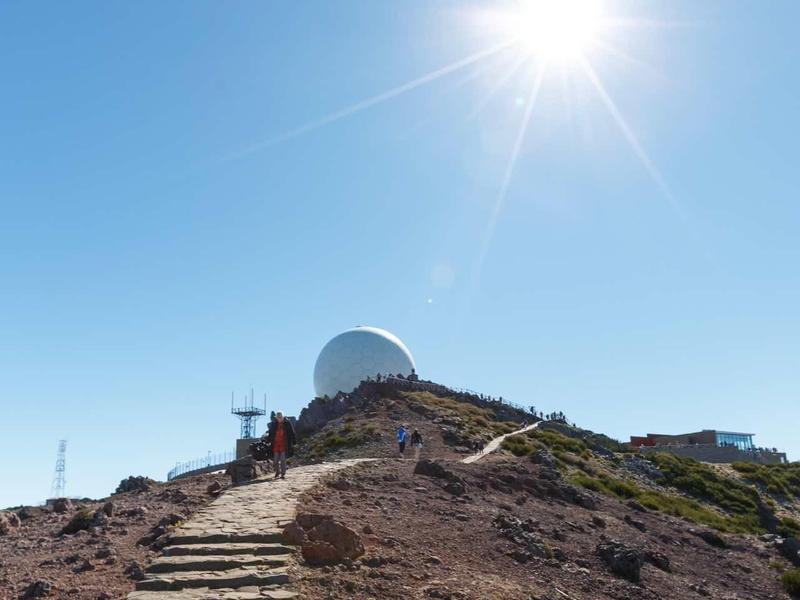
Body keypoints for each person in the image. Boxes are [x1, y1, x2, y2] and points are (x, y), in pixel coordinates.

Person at [267, 411, 296, 479]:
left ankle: (283, 473)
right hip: (275, 444)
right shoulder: (274, 424)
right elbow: (271, 433)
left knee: (283, 459)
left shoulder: (287, 423)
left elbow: (291, 432)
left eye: (280, 417)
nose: (279, 418)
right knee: (275, 460)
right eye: (278, 417)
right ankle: (277, 472)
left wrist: (294, 441)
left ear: (283, 417)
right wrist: (268, 440)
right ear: (276, 418)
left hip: (284, 444)